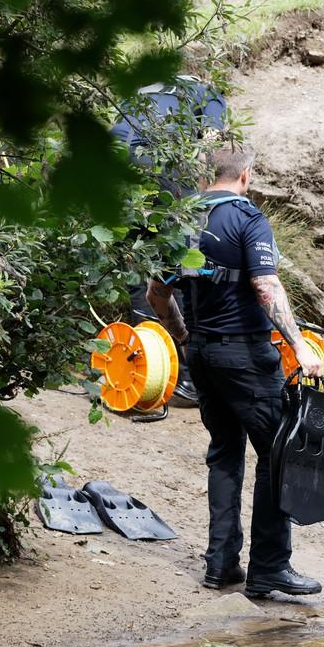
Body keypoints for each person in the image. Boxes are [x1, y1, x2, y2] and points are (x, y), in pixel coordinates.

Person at [146, 143, 324, 598]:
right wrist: (299, 345)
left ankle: (221, 564)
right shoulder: (248, 219)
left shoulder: (181, 222)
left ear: (205, 176)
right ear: (245, 175)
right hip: (246, 358)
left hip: (203, 357)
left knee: (225, 452)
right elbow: (265, 286)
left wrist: (184, 336)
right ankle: (269, 568)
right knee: (277, 454)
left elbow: (155, 294)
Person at [116, 75, 228, 412]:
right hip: (165, 166)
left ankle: (146, 369)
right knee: (177, 268)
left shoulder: (141, 89)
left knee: (139, 269)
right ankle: (187, 378)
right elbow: (210, 145)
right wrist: (202, 201)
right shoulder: (208, 93)